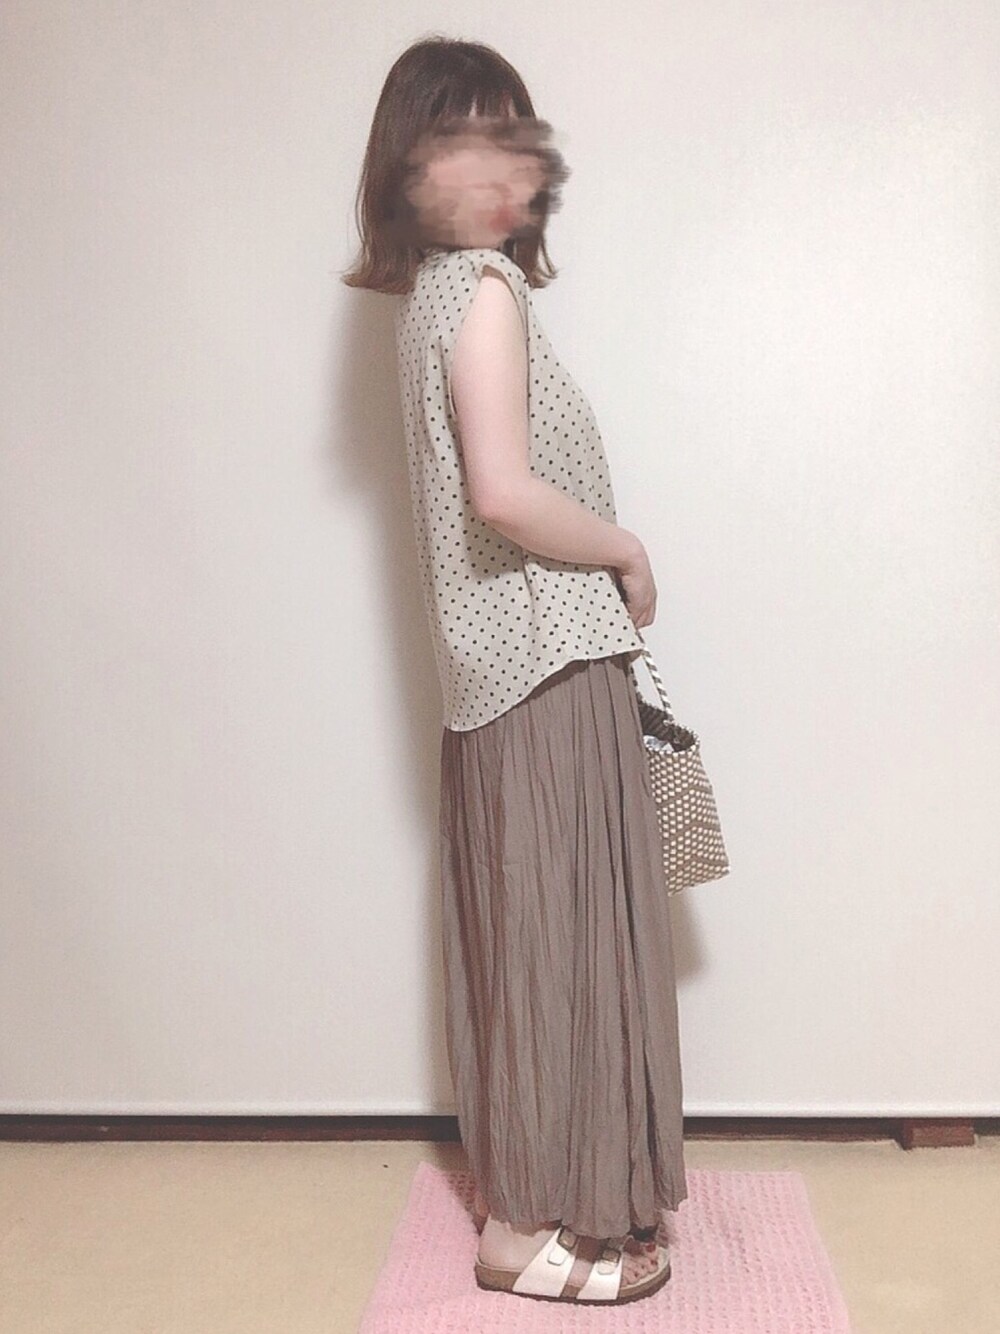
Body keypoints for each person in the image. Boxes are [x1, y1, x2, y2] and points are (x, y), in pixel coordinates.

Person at [344, 36, 687, 1306]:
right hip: (545, 660)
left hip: (497, 671)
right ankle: (529, 1227)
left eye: (516, 140)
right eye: (465, 141)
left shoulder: (433, 296)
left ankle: (535, 1198)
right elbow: (503, 492)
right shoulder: (481, 289)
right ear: (410, 166)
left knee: (529, 933)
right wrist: (628, 549)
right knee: (562, 936)